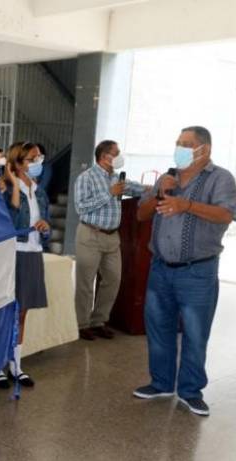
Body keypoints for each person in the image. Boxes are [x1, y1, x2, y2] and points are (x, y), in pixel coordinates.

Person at [133, 126, 236, 417]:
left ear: (203, 150)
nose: (179, 148)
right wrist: (159, 190)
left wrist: (187, 205)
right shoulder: (168, 177)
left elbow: (227, 214)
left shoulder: (220, 179)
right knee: (158, 328)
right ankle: (161, 383)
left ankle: (190, 391)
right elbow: (141, 214)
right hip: (160, 269)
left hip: (197, 272)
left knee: (195, 333)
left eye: (186, 144)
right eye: (178, 142)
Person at [73, 140, 150, 341]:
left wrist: (157, 188)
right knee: (85, 283)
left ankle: (98, 321)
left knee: (113, 279)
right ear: (105, 156)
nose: (119, 156)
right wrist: (110, 193)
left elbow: (138, 189)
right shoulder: (86, 177)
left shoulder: (116, 178)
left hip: (112, 237)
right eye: (116, 153)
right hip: (90, 234)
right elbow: (81, 207)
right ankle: (81, 324)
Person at [0, 142, 51, 388]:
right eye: (32, 158)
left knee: (23, 313)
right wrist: (13, 185)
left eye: (39, 157)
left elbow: (46, 222)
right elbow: (8, 220)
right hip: (12, 254)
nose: (38, 161)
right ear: (18, 163)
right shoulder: (6, 189)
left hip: (33, 252)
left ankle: (16, 365)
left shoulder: (39, 191)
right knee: (5, 311)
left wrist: (46, 227)